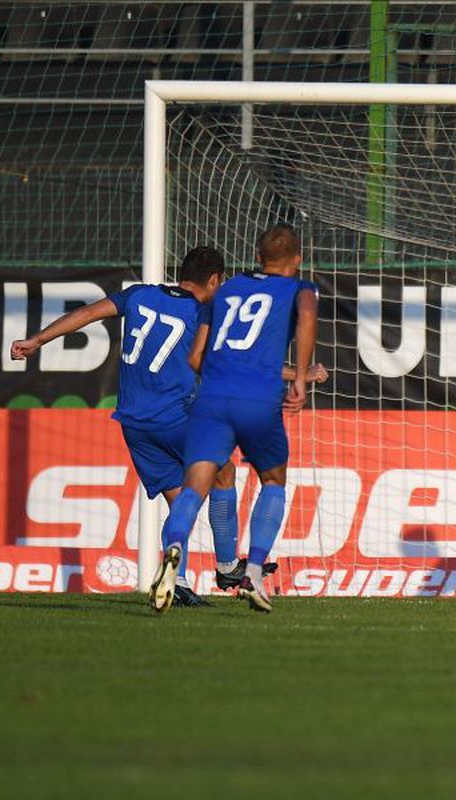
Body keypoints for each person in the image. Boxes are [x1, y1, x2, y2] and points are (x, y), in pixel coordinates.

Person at [11, 247, 245, 607]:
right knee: (224, 472)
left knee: (179, 502)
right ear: (214, 280)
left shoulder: (139, 295)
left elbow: (88, 313)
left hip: (134, 424)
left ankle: (176, 581)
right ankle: (228, 566)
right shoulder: (203, 312)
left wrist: (38, 339)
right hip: (174, 418)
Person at [150, 223, 318, 614]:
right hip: (258, 399)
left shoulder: (224, 292)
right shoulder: (299, 289)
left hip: (211, 399)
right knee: (273, 480)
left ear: (258, 258)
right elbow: (307, 317)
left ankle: (174, 549)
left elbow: (194, 359)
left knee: (194, 487)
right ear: (297, 260)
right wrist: (303, 378)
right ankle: (253, 572)